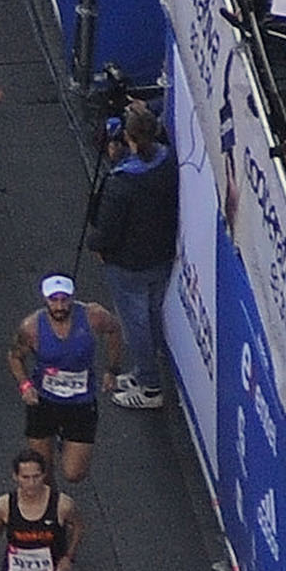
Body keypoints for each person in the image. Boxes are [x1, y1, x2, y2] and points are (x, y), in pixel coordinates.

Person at [89, 99, 177, 406]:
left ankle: (150, 387)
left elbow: (107, 228)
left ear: (128, 138)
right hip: (161, 255)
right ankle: (144, 370)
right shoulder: (167, 161)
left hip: (128, 264)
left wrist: (97, 247)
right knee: (152, 315)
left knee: (136, 323)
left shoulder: (122, 182)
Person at [10, 276, 123, 496]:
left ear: (72, 298)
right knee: (43, 467)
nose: (60, 306)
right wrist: (25, 385)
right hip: (44, 401)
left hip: (80, 402)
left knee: (74, 474)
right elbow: (14, 356)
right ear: (45, 299)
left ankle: (65, 441)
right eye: (54, 300)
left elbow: (114, 329)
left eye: (64, 300)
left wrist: (113, 369)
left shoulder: (93, 316)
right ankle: (52, 510)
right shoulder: (31, 327)